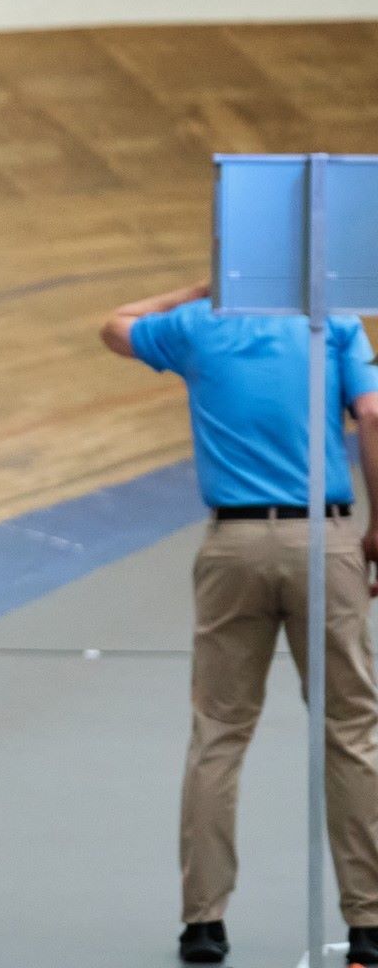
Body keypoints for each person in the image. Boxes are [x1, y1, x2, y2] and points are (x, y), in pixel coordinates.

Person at [101, 281, 378, 966]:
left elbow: (117, 324)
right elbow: (372, 414)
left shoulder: (198, 325)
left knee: (219, 733)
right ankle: (369, 921)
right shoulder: (334, 324)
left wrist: (202, 286)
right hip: (325, 537)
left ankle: (203, 923)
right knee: (350, 727)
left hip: (233, 542)